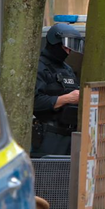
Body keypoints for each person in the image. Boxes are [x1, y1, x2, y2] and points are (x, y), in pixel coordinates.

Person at [32, 23, 84, 158]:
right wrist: (66, 99)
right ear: (55, 42)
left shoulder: (67, 69)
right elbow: (34, 102)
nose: (68, 52)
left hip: (70, 135)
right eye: (65, 46)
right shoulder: (38, 67)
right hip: (48, 136)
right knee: (48, 176)